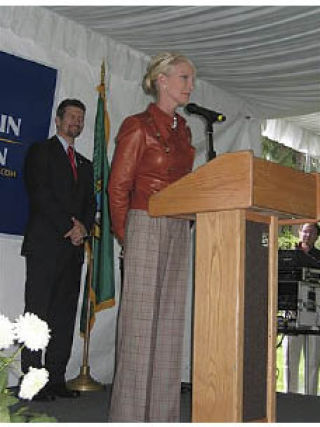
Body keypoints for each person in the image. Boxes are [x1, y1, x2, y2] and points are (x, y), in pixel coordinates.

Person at [107, 52, 196, 422]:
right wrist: (129, 238)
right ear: (162, 80)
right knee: (140, 331)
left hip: (179, 226)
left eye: (192, 79)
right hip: (144, 222)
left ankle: (161, 416)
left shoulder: (186, 130)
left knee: (170, 328)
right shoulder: (137, 125)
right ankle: (128, 417)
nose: (190, 85)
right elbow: (117, 187)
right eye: (185, 78)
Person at [21, 99, 95, 400]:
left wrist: (84, 228)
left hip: (73, 250)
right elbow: (40, 193)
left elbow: (91, 204)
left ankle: (55, 379)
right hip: (45, 246)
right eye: (72, 117)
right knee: (37, 315)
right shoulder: (41, 152)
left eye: (81, 118)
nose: (76, 122)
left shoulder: (86, 165)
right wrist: (70, 225)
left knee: (64, 316)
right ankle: (32, 382)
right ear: (58, 120)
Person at [283, 222, 320, 395]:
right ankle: (290, 397)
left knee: (312, 361)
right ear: (299, 232)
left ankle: (310, 399)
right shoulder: (287, 254)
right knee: (290, 359)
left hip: (315, 314)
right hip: (292, 313)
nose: (307, 235)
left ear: (317, 237)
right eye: (305, 231)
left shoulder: (319, 257)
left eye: (312, 233)